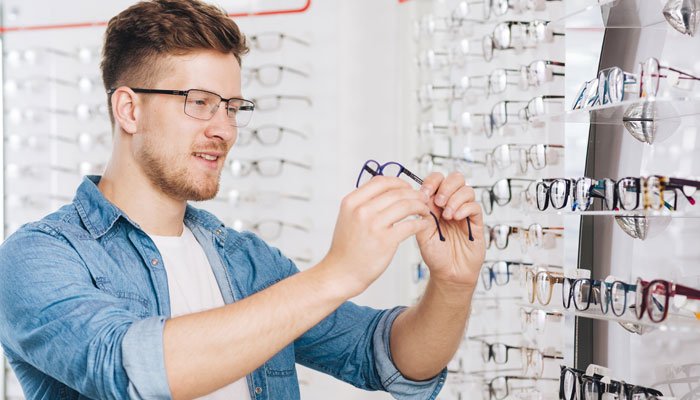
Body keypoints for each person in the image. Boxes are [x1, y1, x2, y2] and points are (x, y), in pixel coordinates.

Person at [0, 1, 485, 399]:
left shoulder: (249, 263)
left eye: (232, 107)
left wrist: (452, 284)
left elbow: (388, 359)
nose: (224, 130)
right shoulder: (40, 257)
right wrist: (337, 273)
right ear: (129, 108)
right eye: (200, 102)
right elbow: (133, 371)